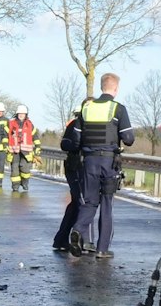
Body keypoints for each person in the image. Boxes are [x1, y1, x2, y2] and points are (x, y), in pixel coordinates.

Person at [70, 74, 134, 257]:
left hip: (89, 161)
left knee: (89, 201)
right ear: (116, 88)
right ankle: (102, 249)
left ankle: (77, 230)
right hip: (108, 162)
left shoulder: (86, 108)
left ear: (101, 86)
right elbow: (128, 139)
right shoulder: (118, 109)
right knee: (106, 203)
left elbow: (75, 139)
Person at [52, 107, 84, 252]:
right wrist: (78, 145)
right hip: (74, 166)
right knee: (79, 203)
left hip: (85, 168)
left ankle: (62, 239)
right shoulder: (74, 124)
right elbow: (65, 144)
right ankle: (66, 238)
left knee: (78, 204)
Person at [8, 104, 36, 192]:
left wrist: (38, 147)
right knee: (14, 169)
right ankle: (15, 186)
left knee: (25, 168)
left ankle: (25, 182)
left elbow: (35, 136)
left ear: (26, 115)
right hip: (14, 150)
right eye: (20, 113)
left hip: (26, 151)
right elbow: (6, 135)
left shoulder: (30, 124)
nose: (21, 115)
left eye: (23, 114)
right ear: (17, 114)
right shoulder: (11, 123)